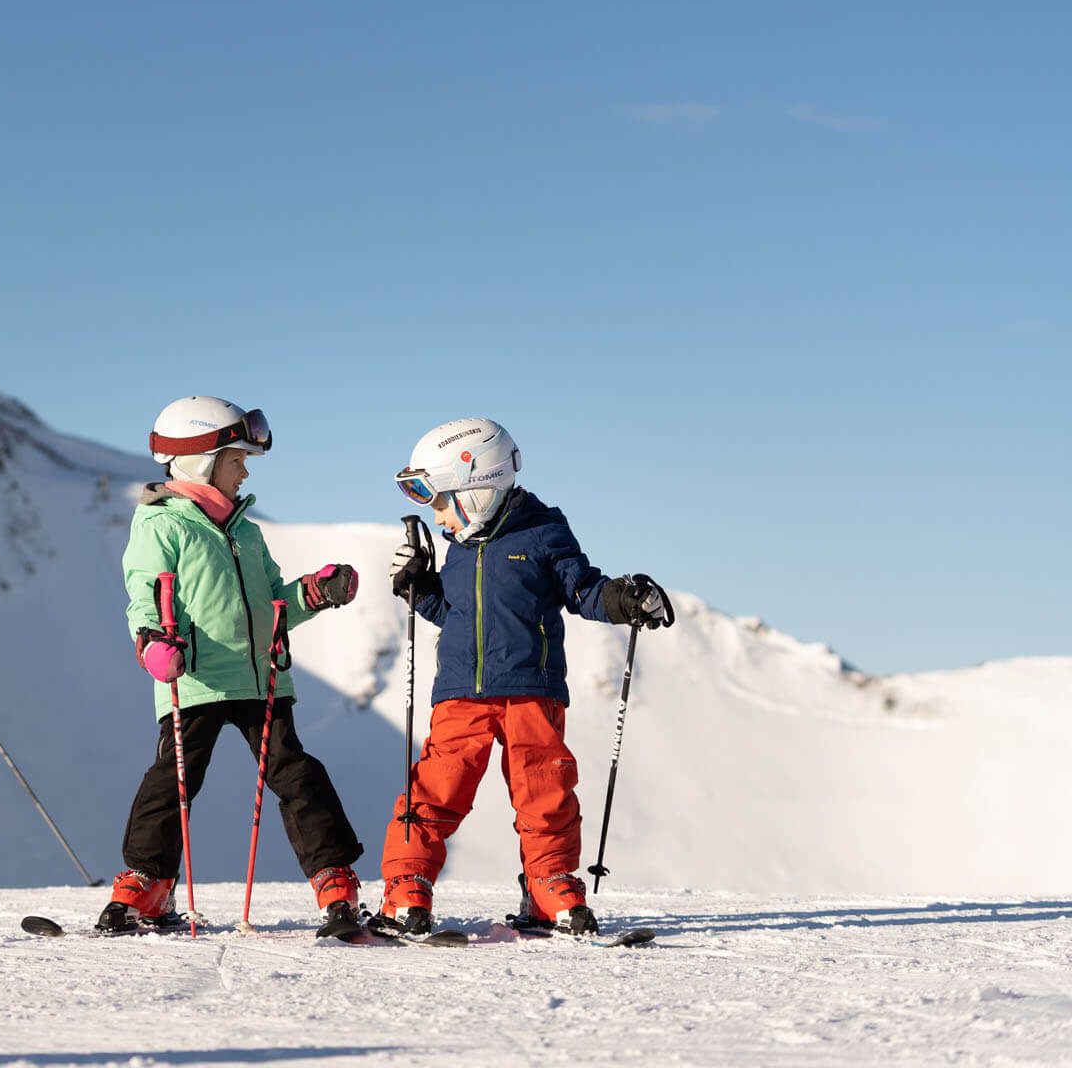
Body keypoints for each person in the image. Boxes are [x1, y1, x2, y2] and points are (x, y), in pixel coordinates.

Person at [381, 418, 674, 937]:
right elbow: (454, 615)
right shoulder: (458, 544)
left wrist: (622, 599)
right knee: (435, 791)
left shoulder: (543, 531)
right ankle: (407, 887)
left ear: (476, 487)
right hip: (461, 694)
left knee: (545, 790)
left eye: (440, 497)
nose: (437, 512)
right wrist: (417, 587)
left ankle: (550, 882)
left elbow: (582, 589)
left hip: (531, 690)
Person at [99, 396, 366, 934]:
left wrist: (315, 592)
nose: (245, 470)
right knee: (173, 780)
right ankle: (147, 883)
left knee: (296, 774)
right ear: (201, 459)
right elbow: (143, 596)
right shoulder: (162, 526)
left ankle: (334, 880)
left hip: (262, 679)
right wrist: (151, 641)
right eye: (235, 459)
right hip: (194, 677)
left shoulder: (245, 529)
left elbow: (274, 607)